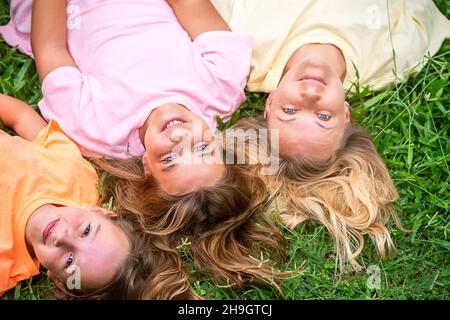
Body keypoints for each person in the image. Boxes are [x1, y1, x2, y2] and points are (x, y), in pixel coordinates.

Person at [0, 0, 287, 291]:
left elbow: (51, 49)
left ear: (147, 169)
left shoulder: (94, 129)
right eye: (202, 149)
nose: (181, 138)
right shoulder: (222, 83)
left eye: (171, 160)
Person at [212, 0, 450, 270]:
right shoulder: (390, 58)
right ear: (346, 114)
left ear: (271, 103)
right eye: (323, 117)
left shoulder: (242, 50)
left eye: (289, 110)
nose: (310, 95)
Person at [0, 93, 195, 299]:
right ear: (99, 211)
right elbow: (21, 117)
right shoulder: (76, 177)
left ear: (57, 279)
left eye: (69, 262)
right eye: (86, 231)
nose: (63, 236)